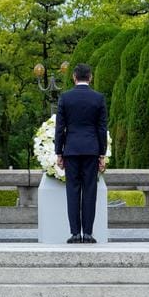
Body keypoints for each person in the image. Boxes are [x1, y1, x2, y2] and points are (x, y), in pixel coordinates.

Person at [55, 63, 109, 244]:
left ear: (74, 77)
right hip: (92, 149)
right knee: (89, 191)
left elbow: (60, 127)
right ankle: (88, 232)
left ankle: (74, 233)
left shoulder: (65, 97)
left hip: (71, 149)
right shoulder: (98, 98)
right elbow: (102, 128)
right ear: (90, 77)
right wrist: (102, 153)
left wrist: (59, 153)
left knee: (72, 190)